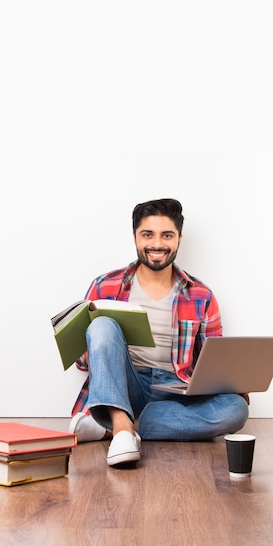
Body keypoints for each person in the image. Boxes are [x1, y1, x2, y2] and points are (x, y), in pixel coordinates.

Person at [69, 198, 249, 466]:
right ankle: (121, 423)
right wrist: (92, 341)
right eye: (147, 234)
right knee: (102, 324)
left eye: (167, 235)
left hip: (176, 391)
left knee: (236, 410)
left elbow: (212, 360)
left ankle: (117, 427)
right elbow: (83, 364)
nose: (157, 244)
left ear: (179, 239)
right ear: (135, 238)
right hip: (126, 385)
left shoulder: (201, 295)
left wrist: (233, 383)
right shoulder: (105, 286)